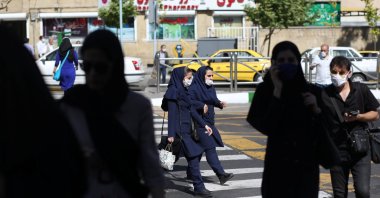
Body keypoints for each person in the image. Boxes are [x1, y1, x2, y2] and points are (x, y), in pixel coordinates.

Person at [59, 29, 165, 198]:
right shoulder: (72, 105)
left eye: (100, 67)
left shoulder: (138, 107)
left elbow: (150, 165)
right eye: (87, 66)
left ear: (115, 65)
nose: (92, 73)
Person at [0, 25, 85, 197]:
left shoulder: (61, 51)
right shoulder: (50, 127)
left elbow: (56, 62)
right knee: (68, 89)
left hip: (63, 73)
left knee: (64, 88)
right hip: (71, 73)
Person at [246, 41, 334, 198]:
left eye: (291, 60)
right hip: (277, 168)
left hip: (305, 169)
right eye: (281, 61)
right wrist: (277, 92)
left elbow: (330, 125)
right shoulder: (265, 91)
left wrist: (316, 109)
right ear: (273, 63)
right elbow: (266, 126)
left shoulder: (312, 92)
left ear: (298, 62)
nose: (286, 64)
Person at [321, 56, 379, 198]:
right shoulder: (325, 94)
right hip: (337, 150)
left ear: (349, 73)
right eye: (334, 72)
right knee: (340, 194)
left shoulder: (361, 89)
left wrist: (358, 117)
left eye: (341, 73)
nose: (337, 76)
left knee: (363, 191)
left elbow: (375, 114)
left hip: (360, 148)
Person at [164, 67, 214, 197]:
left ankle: (153, 175)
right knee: (193, 157)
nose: (190, 81)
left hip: (188, 130)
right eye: (188, 78)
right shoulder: (173, 91)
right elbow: (172, 115)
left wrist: (204, 125)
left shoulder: (184, 90)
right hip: (179, 132)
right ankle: (199, 187)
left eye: (191, 78)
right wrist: (171, 134)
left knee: (176, 158)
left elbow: (191, 110)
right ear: (180, 77)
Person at [189, 66, 234, 187]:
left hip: (210, 122)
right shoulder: (194, 87)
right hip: (200, 123)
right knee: (210, 148)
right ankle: (221, 174)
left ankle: (190, 171)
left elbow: (213, 99)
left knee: (198, 150)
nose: (211, 78)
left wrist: (219, 103)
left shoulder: (210, 87)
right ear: (202, 76)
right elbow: (190, 102)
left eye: (212, 75)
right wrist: (200, 105)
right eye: (209, 76)